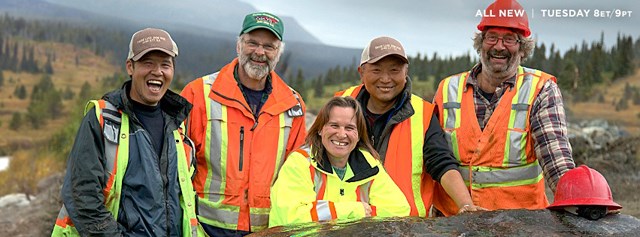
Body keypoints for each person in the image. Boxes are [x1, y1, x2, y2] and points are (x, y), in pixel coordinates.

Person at [52, 28, 201, 236]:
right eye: (148, 63)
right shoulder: (102, 119)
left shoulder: (178, 128)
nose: (157, 71)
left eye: (165, 64)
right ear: (130, 67)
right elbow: (82, 196)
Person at [432, 0, 575, 216]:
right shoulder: (447, 89)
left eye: (509, 39)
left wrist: (575, 200)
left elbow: (556, 157)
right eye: (492, 37)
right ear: (481, 42)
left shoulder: (541, 89)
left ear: (522, 47)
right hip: (453, 221)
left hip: (521, 223)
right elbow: (433, 154)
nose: (499, 46)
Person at [180, 12, 307, 236]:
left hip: (268, 228)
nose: (260, 52)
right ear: (239, 45)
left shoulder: (292, 105)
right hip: (207, 227)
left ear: (279, 53)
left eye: (269, 46)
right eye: (252, 43)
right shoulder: (199, 93)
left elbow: (298, 174)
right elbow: (178, 165)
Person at [335, 36, 485, 218]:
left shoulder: (423, 114)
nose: (385, 79)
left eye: (394, 70)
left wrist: (466, 205)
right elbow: (313, 156)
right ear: (361, 72)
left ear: (406, 72)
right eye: (376, 70)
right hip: (347, 222)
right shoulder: (340, 106)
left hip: (404, 225)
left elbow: (442, 163)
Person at [269, 97, 410, 227]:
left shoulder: (369, 164)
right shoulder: (300, 163)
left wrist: (331, 214)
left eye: (349, 128)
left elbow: (399, 210)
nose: (342, 134)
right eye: (334, 126)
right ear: (319, 129)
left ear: (359, 134)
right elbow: (291, 218)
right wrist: (357, 211)